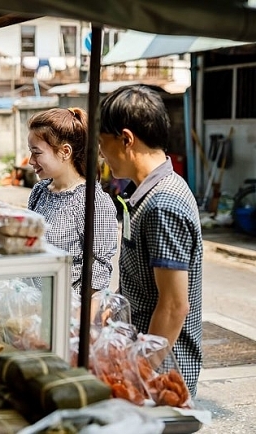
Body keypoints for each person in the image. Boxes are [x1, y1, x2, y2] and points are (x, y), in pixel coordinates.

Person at [98, 85, 202, 397]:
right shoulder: (145, 194)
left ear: (126, 139)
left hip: (160, 373)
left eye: (104, 143)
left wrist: (139, 374)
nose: (101, 154)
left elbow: (173, 305)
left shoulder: (163, 204)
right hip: (140, 357)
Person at [26, 107, 118, 295]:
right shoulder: (39, 191)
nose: (30, 161)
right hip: (32, 307)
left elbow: (97, 275)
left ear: (65, 151)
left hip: (66, 312)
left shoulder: (93, 202)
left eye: (37, 153)